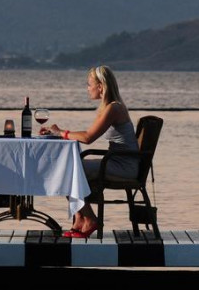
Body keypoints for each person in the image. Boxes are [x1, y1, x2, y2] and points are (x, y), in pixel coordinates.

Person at [43, 65, 138, 238]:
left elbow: (88, 137)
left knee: (66, 170)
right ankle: (80, 218)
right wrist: (61, 133)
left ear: (100, 86)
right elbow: (87, 134)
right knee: (68, 167)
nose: (87, 88)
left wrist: (61, 132)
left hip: (123, 166)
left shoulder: (114, 108)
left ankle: (89, 219)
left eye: (89, 84)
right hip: (116, 161)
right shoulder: (111, 107)